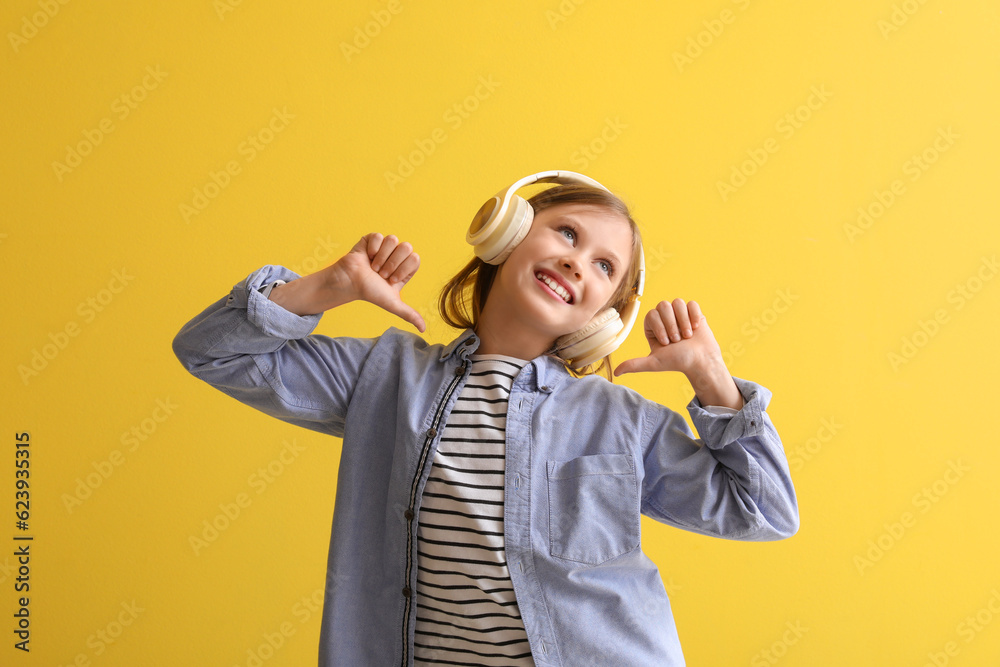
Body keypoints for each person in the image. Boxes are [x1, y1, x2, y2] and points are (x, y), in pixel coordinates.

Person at [172, 171, 799, 666]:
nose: (578, 261)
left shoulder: (620, 420)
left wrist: (712, 380)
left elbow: (763, 512)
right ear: (507, 232)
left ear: (606, 316)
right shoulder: (384, 378)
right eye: (567, 234)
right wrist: (326, 286)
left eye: (606, 267)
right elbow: (208, 350)